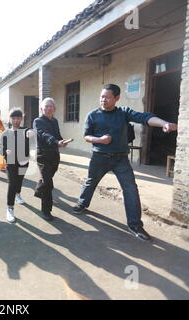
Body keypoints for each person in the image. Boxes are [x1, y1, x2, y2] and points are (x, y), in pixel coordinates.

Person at [72, 84, 178, 241]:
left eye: (108, 97)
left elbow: (145, 118)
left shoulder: (123, 113)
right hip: (99, 157)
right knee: (90, 181)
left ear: (117, 98)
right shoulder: (93, 115)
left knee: (131, 190)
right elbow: (86, 136)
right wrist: (99, 140)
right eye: (102, 96)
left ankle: (135, 225)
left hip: (120, 159)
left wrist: (164, 124)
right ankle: (82, 203)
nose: (103, 100)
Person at [33, 97, 72, 221]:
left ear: (54, 109)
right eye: (46, 106)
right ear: (41, 109)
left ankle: (39, 190)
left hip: (54, 154)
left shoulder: (55, 121)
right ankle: (46, 211)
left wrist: (62, 141)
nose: (49, 108)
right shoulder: (37, 121)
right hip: (43, 155)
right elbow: (44, 134)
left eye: (51, 106)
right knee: (48, 183)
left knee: (48, 177)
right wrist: (56, 142)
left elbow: (57, 134)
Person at [0, 108, 34, 223]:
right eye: (13, 118)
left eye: (18, 118)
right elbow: (0, 148)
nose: (16, 120)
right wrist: (5, 152)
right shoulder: (5, 133)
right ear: (10, 119)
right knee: (12, 184)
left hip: (24, 162)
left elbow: (31, 134)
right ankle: (10, 208)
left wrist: (30, 134)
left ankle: (18, 195)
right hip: (11, 163)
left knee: (19, 181)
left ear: (21, 119)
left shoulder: (25, 130)